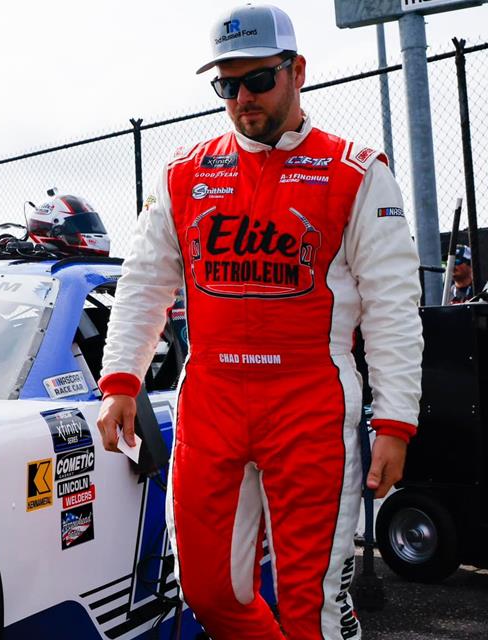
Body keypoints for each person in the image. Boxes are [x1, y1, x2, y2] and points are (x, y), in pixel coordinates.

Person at [95, 5, 422, 639]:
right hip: (210, 401)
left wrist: (396, 422)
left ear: (297, 71)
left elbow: (392, 307)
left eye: (258, 80)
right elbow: (143, 284)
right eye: (226, 85)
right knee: (207, 592)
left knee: (311, 604)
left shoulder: (358, 171)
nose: (242, 98)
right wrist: (119, 380)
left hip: (311, 405)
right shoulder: (182, 173)